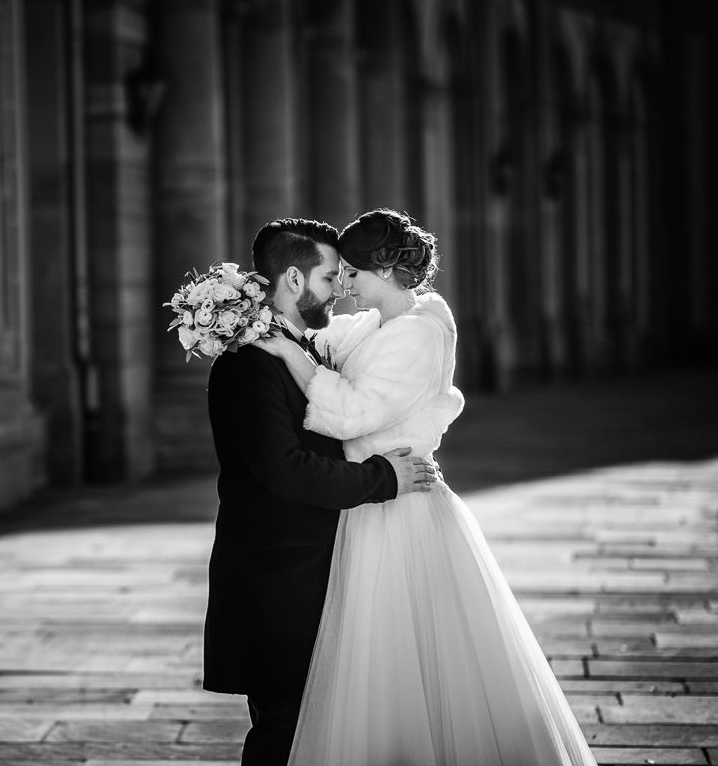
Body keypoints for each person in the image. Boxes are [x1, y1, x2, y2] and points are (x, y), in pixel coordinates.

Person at [253, 209, 597, 765]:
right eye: (336, 275)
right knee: (371, 663)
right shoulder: (375, 320)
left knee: (409, 659)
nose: (343, 284)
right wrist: (255, 316)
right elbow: (324, 333)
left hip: (399, 510)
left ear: (385, 268)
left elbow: (355, 414)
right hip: (368, 500)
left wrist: (290, 354)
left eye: (353, 274)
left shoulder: (419, 333)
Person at [203, 218, 440, 766]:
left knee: (318, 732)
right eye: (332, 278)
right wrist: (385, 478)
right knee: (284, 733)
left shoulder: (295, 345)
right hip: (276, 584)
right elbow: (288, 470)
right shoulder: (248, 365)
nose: (341, 290)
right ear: (293, 279)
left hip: (311, 573)